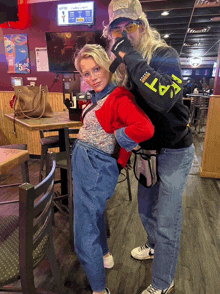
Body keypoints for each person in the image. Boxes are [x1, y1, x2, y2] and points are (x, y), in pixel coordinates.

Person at [103, 0, 195, 293]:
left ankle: (163, 282)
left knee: (168, 221)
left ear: (143, 26)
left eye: (130, 26)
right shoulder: (125, 66)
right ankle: (154, 245)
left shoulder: (163, 54)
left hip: (175, 152)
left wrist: (130, 58)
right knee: (145, 211)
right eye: (117, 29)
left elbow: (164, 98)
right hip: (147, 151)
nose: (125, 34)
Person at [72, 44, 155, 294]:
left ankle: (99, 290)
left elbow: (145, 129)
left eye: (96, 69)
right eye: (86, 73)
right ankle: (105, 254)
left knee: (83, 233)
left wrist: (118, 137)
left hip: (95, 168)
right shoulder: (100, 95)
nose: (92, 77)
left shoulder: (118, 97)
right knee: (94, 215)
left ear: (107, 67)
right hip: (89, 166)